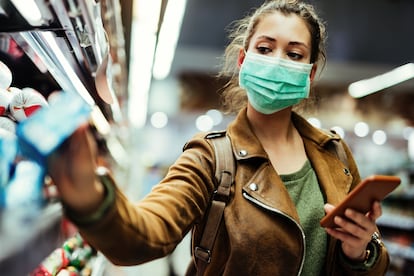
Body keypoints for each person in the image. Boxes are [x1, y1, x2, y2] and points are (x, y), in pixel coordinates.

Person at [47, 0, 390, 275]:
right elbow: (148, 233)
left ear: (310, 74)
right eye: (265, 48)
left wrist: (359, 252)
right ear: (243, 61)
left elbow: (370, 260)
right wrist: (92, 199)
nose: (277, 62)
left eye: (295, 54)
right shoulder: (211, 156)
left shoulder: (335, 154)